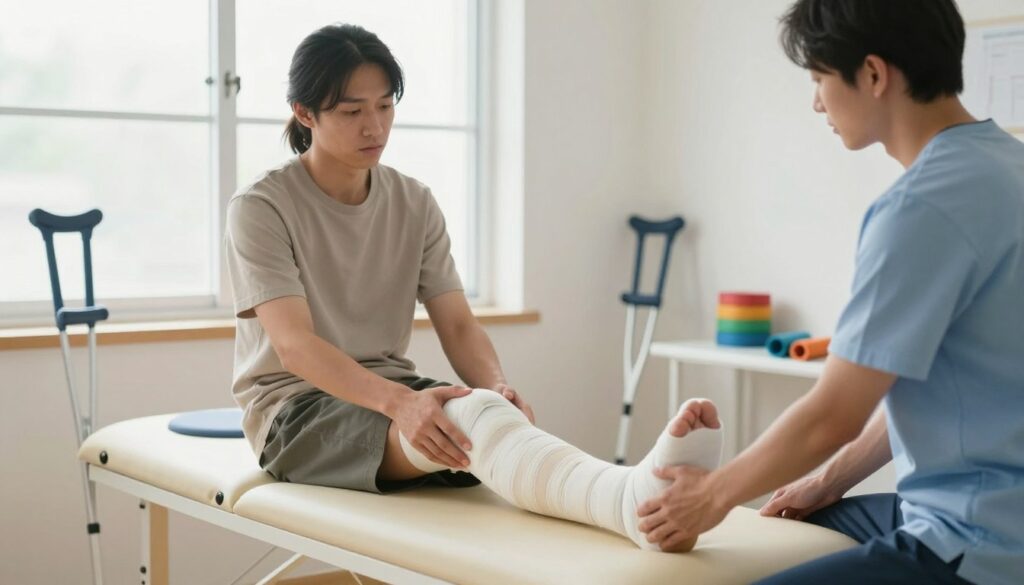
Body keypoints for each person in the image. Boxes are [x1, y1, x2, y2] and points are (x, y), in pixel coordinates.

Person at [224, 23, 725, 550]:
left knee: (485, 414)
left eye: (385, 107)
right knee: (472, 426)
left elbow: (458, 323)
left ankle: (639, 501)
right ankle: (630, 500)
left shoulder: (414, 202)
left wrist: (497, 385)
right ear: (305, 113)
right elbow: (295, 348)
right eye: (352, 112)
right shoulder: (262, 207)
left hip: (393, 391)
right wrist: (401, 405)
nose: (374, 127)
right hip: (297, 409)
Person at [636, 1, 1024, 582]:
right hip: (988, 509)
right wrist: (826, 479)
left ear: (872, 75)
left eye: (819, 78)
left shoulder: (920, 208)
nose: (816, 101)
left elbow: (833, 415)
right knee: (793, 521)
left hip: (979, 545)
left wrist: (711, 496)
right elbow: (944, 381)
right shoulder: (1008, 167)